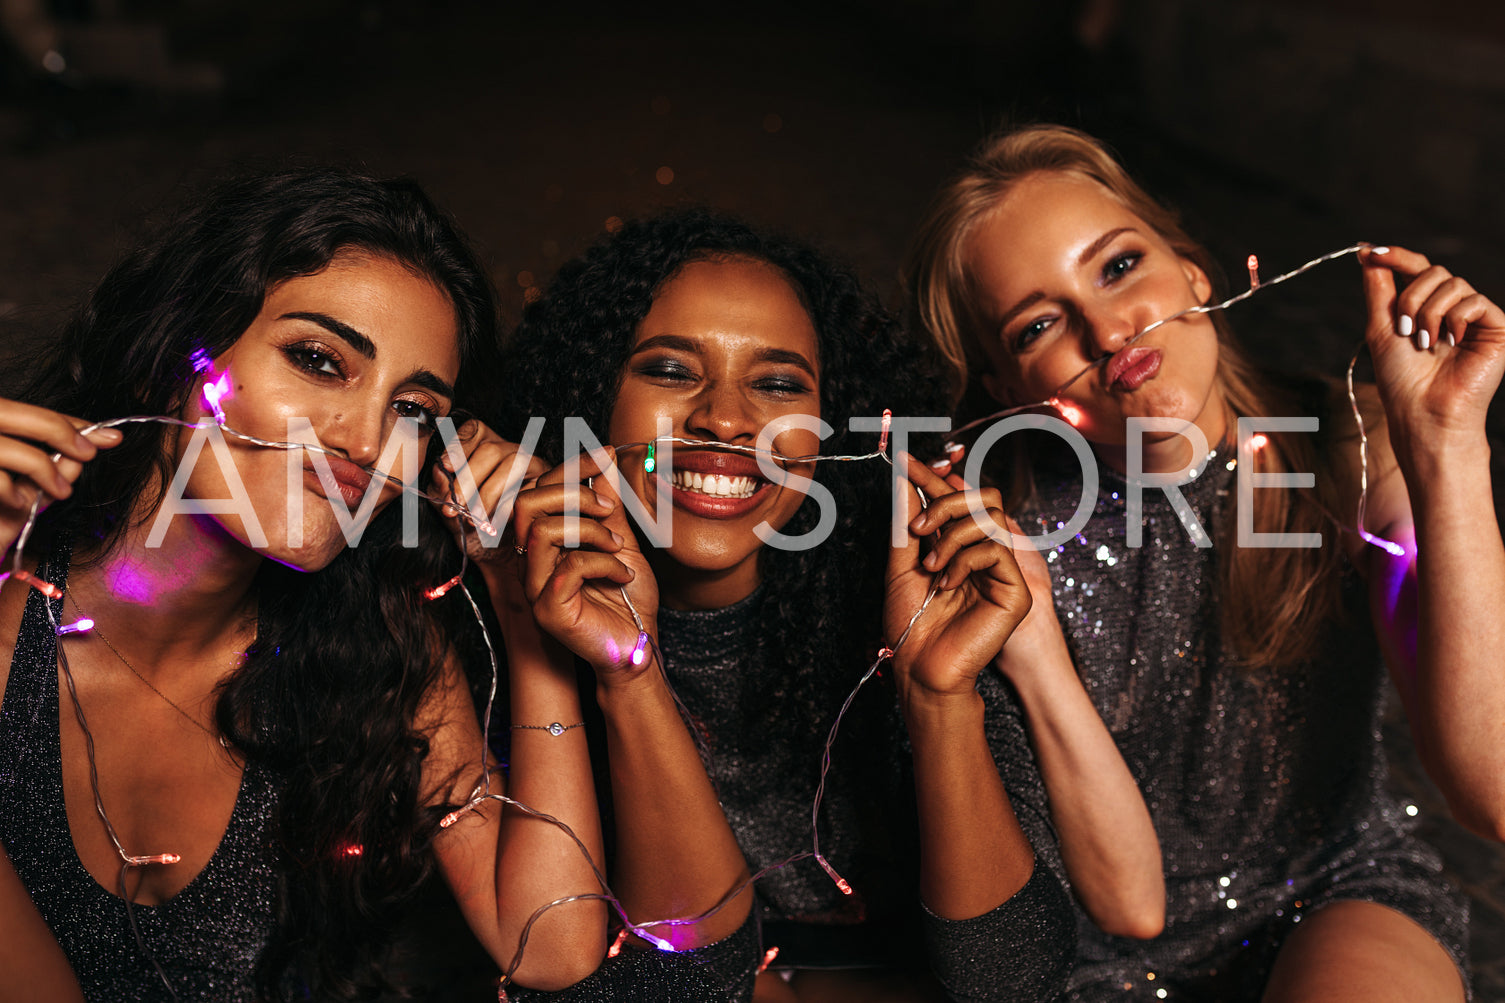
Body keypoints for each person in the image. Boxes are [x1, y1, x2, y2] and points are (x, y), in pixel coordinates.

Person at [906, 123, 1505, 1000]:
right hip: (1084, 943)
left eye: (1117, 267)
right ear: (1005, 385)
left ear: (1191, 270)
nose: (1107, 329)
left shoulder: (1349, 446)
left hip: (1330, 890)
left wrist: (1445, 447)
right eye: (1039, 322)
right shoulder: (999, 539)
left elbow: (1491, 793)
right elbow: (1122, 905)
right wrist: (1030, 646)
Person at [0, 168, 611, 1000]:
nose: (365, 439)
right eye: (319, 360)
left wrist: (524, 613)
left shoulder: (376, 650)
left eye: (414, 411)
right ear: (167, 358)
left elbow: (551, 944)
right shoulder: (12, 621)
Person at [496, 208, 1083, 1002]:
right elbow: (681, 979)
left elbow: (1014, 979)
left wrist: (937, 698)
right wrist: (626, 670)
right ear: (593, 394)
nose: (726, 420)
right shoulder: (520, 611)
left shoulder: (917, 591)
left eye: (776, 384)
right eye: (670, 370)